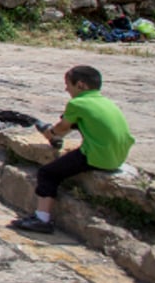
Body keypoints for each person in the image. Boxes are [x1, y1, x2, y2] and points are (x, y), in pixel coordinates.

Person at [10, 66, 135, 234]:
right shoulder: (106, 102)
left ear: (81, 85)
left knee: (48, 173)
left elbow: (61, 128)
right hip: (118, 156)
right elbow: (74, 125)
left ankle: (42, 218)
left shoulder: (77, 103)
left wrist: (51, 133)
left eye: (68, 84)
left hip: (98, 157)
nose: (66, 89)